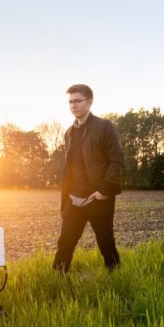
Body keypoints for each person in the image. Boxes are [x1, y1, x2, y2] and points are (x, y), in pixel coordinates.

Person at [53, 84, 124, 273]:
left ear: (89, 102)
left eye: (77, 101)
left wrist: (103, 191)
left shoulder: (104, 127)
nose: (73, 105)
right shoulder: (69, 132)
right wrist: (65, 200)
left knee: (106, 244)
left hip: (98, 198)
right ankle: (56, 282)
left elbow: (117, 161)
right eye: (70, 101)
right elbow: (69, 168)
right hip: (74, 199)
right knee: (65, 243)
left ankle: (117, 279)